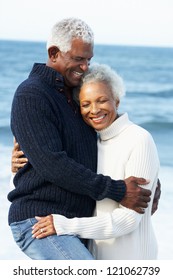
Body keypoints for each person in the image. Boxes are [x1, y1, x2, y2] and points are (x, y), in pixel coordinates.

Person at [9, 17, 152, 260]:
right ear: (54, 53)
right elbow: (53, 164)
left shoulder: (74, 95)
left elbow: (109, 140)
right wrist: (118, 190)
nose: (85, 67)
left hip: (74, 224)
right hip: (41, 222)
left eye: (88, 59)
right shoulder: (32, 95)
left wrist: (150, 180)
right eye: (78, 59)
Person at [31, 63, 160, 259]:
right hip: (93, 258)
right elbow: (58, 170)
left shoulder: (139, 139)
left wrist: (65, 225)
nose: (95, 110)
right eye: (86, 104)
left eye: (102, 101)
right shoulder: (90, 141)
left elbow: (128, 219)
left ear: (116, 100)